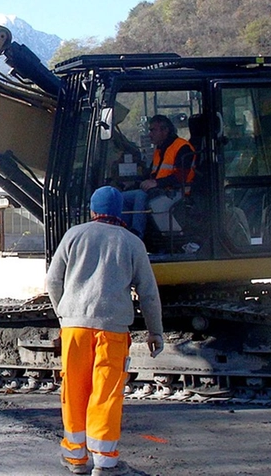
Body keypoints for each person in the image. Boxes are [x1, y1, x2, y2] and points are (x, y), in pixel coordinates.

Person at [46, 186, 164, 475]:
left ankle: (75, 459)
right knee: (106, 392)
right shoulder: (132, 242)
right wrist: (155, 331)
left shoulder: (74, 235)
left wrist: (65, 314)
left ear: (93, 210)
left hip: (74, 328)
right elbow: (148, 293)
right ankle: (105, 463)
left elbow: (52, 281)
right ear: (120, 212)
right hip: (112, 329)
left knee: (74, 390)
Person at [120, 114, 195, 237]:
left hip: (177, 192)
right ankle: (124, 233)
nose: (150, 134)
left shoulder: (182, 147)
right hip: (160, 191)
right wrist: (134, 183)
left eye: (153, 130)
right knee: (120, 197)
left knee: (140, 195)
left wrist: (156, 183)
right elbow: (152, 175)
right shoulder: (160, 149)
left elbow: (180, 177)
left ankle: (137, 235)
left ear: (165, 131)